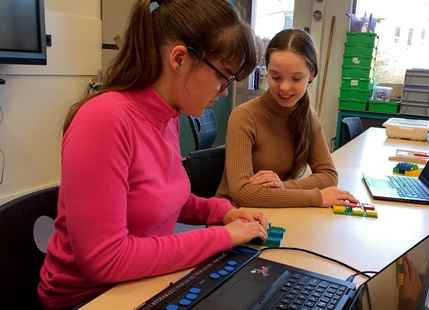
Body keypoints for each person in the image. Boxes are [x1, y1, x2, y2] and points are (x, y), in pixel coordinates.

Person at [38, 1, 268, 308]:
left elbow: (161, 198)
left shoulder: (167, 116)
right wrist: (222, 237)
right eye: (223, 77)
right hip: (91, 300)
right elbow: (106, 259)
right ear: (179, 58)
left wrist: (221, 212)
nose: (224, 91)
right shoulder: (104, 119)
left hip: (145, 286)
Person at [217, 29, 358, 208]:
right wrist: (317, 197)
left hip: (278, 210)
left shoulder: (308, 116)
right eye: (275, 77)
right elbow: (243, 194)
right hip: (232, 215)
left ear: (311, 76)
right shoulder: (243, 117)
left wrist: (283, 187)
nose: (284, 87)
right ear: (266, 72)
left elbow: (328, 176)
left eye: (296, 79)